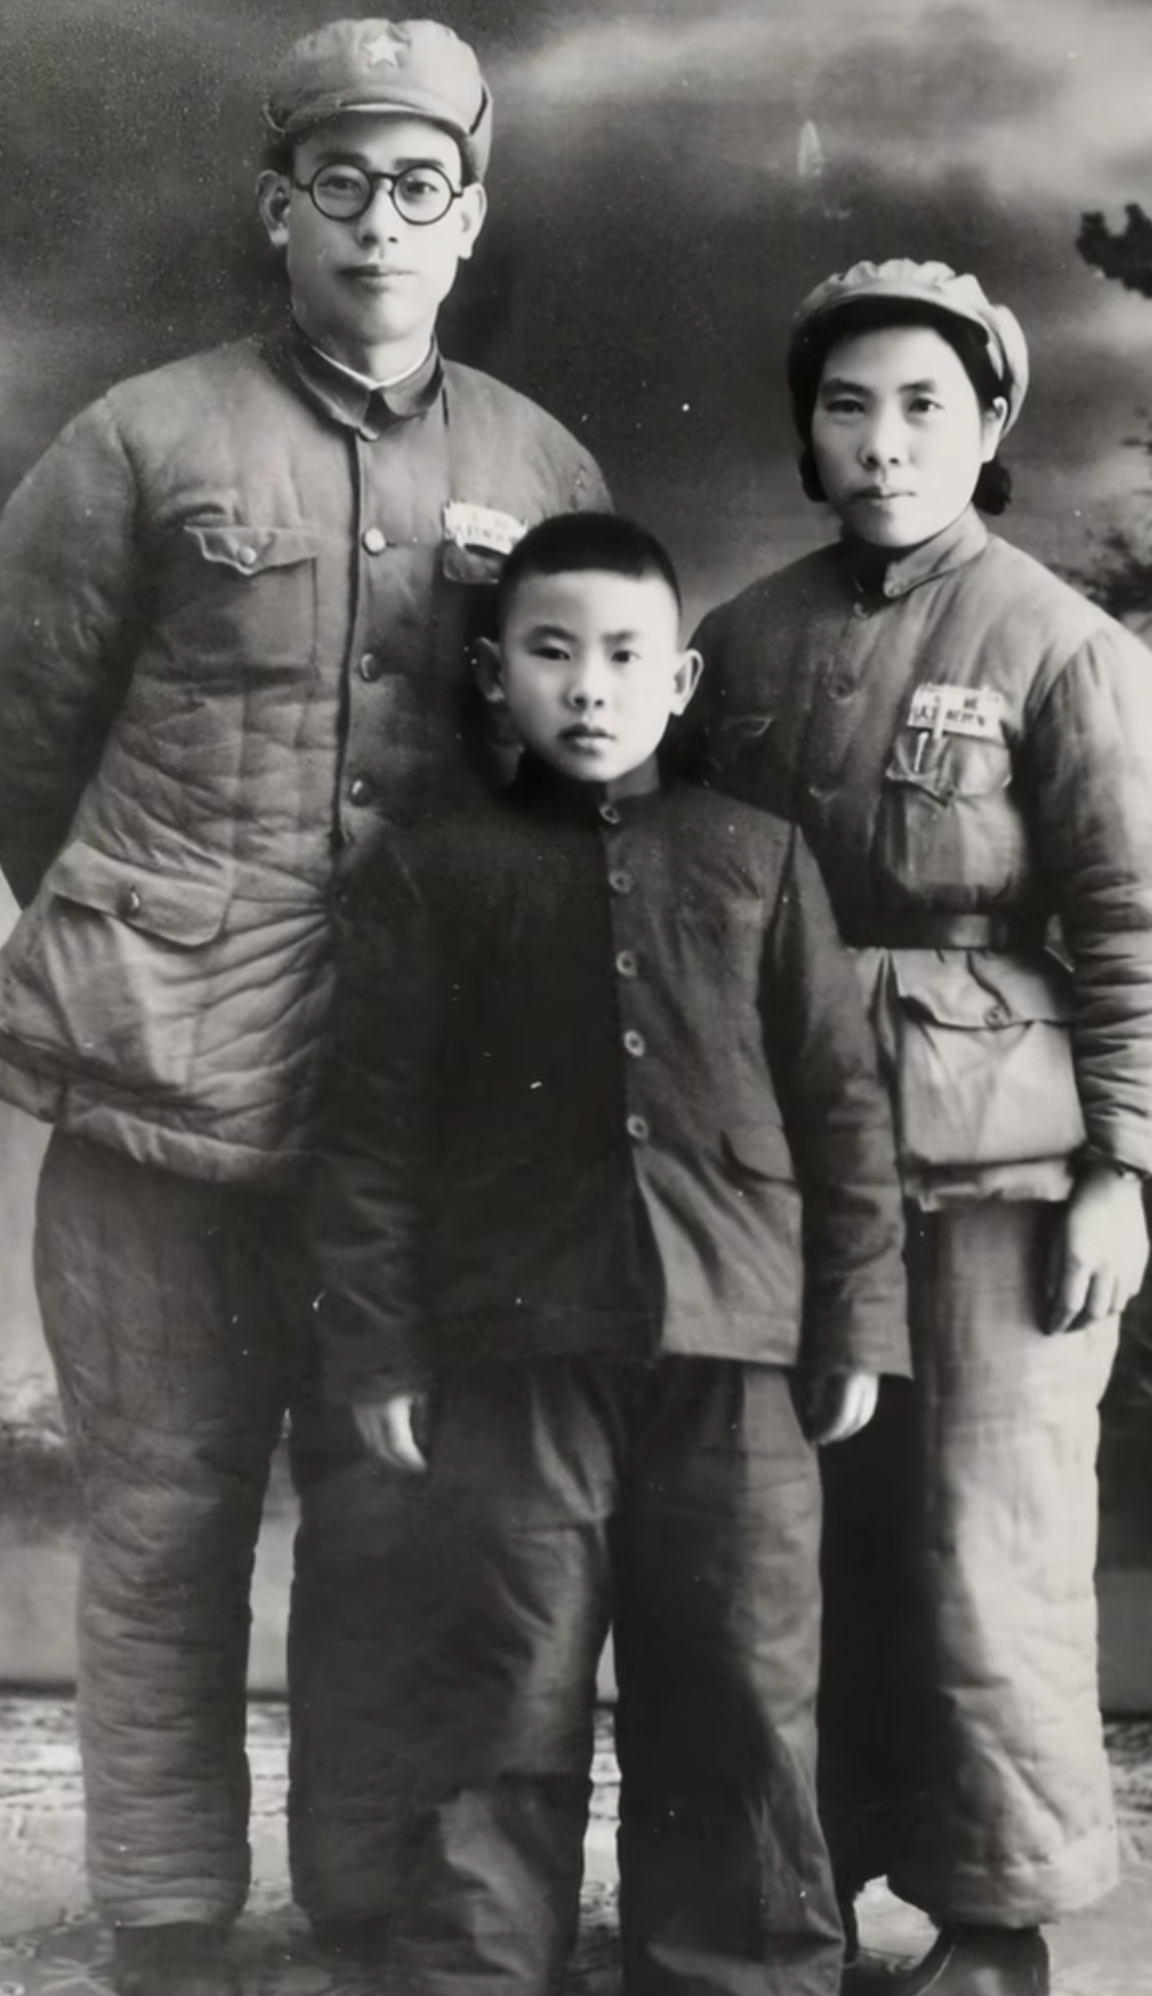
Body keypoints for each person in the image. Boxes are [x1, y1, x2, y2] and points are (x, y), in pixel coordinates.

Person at [0, 19, 608, 1995]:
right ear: (279, 209)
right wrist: (159, 938)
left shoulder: (541, 465)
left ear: (472, 219)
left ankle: (363, 1901)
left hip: (417, 1117)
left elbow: (568, 770)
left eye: (421, 185)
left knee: (387, 1518)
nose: (379, 221)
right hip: (159, 1088)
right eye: (339, 180)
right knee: (163, 1517)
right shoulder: (138, 440)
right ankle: (168, 1915)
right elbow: (24, 746)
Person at [308, 510, 910, 1996]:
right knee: (501, 1686)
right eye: (553, 651)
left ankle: (738, 1971)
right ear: (495, 673)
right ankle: (478, 1970)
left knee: (740, 1688)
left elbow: (844, 1113)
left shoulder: (758, 859)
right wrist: (378, 1349)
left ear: (680, 681)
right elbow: (370, 1134)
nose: (590, 685)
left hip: (739, 1346)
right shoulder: (431, 869)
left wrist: (856, 1323)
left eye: (628, 654)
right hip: (508, 1350)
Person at [690, 258, 1152, 1996]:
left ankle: (996, 1918)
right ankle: (792, 1892)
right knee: (794, 1536)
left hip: (998, 1181)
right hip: (781, 1164)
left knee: (983, 1538)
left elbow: (1134, 925)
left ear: (991, 424)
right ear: (809, 433)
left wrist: (1125, 1169)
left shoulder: (1063, 646)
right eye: (847, 406)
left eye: (924, 407)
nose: (883, 444)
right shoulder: (745, 639)